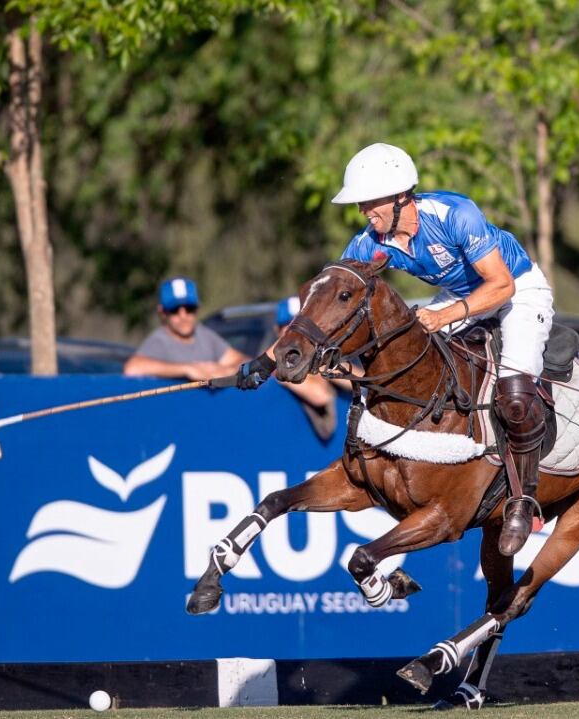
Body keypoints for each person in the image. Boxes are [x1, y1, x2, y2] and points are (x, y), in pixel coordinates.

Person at [234, 143, 554, 557]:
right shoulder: (371, 243)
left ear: (401, 196)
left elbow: (502, 285)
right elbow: (328, 305)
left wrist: (444, 316)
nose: (365, 211)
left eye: (371, 202)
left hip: (518, 290)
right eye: (362, 204)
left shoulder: (456, 215)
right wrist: (266, 361)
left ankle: (522, 501)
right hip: (459, 294)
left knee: (514, 391)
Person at [124, 276, 247, 380]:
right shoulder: (160, 341)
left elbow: (243, 361)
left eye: (189, 309)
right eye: (174, 310)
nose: (183, 316)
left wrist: (226, 370)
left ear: (197, 308)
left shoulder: (204, 336)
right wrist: (188, 369)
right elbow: (132, 368)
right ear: (162, 313)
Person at [273, 296, 345, 442]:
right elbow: (321, 396)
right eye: (290, 325)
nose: (298, 332)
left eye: (303, 325)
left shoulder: (321, 358)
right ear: (277, 330)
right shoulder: (274, 365)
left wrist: (326, 367)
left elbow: (359, 380)